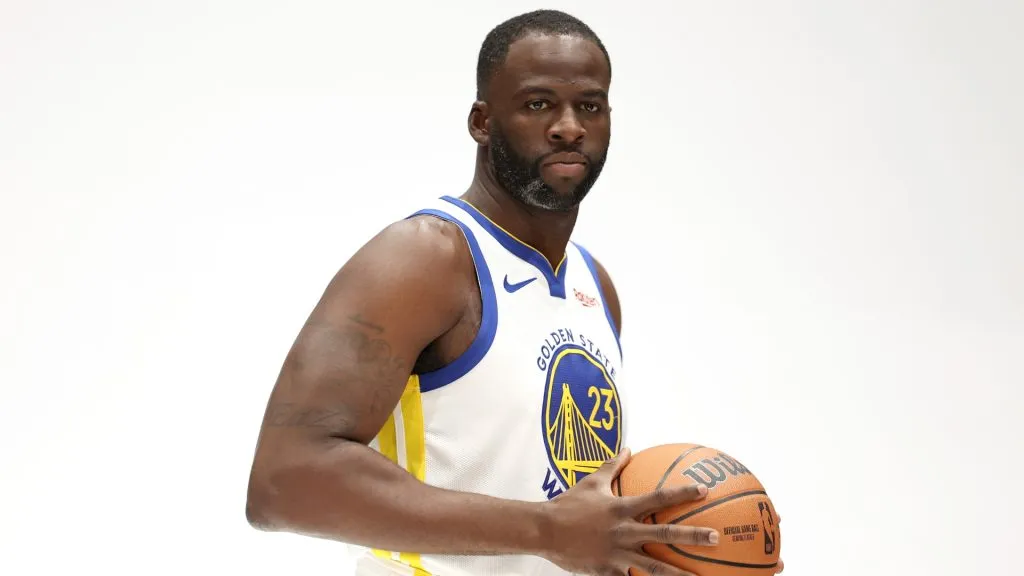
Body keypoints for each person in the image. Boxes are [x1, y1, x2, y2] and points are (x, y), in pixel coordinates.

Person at [246, 9, 780, 576]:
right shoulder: (425, 257)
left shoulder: (592, 284)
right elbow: (283, 481)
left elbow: (574, 508)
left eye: (590, 106)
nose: (569, 126)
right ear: (482, 121)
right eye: (538, 104)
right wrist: (545, 529)